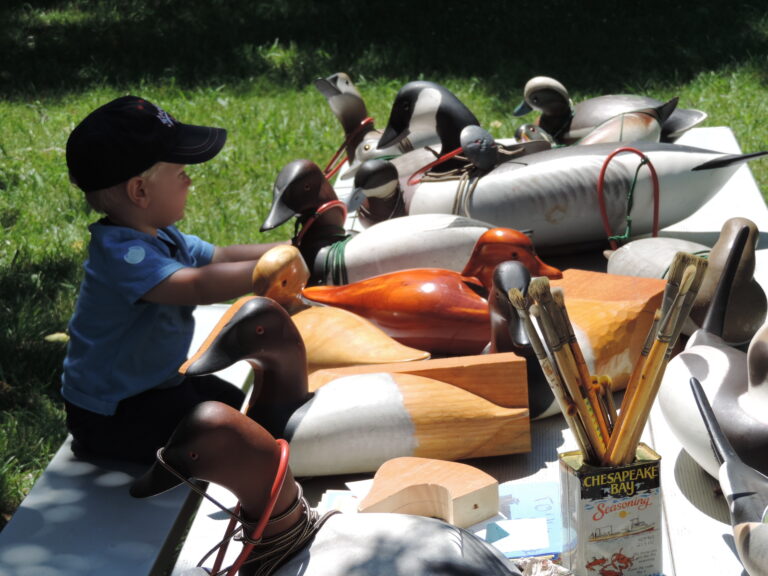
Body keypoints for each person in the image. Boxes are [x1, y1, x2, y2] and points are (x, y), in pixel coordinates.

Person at [61, 95, 284, 463]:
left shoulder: (162, 235)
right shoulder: (124, 256)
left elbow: (223, 256)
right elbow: (197, 284)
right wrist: (275, 269)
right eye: (181, 174)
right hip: (113, 413)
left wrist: (292, 247)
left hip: (156, 385)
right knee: (226, 438)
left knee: (235, 406)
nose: (190, 181)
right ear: (140, 191)